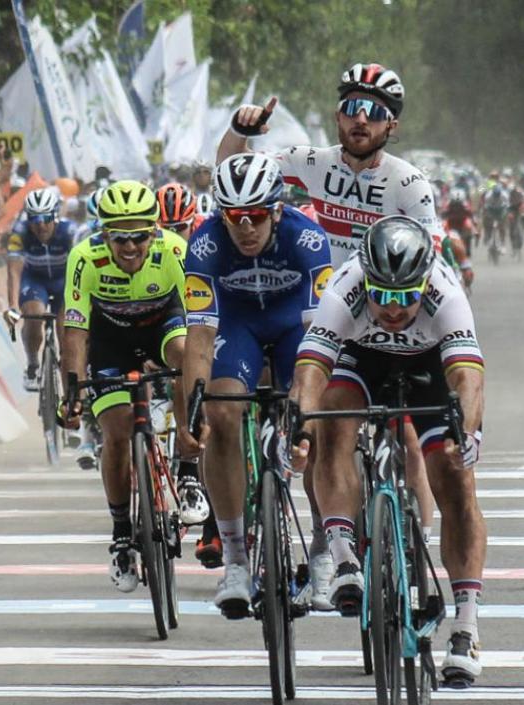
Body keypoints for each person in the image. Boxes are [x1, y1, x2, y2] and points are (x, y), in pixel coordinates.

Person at [220, 62, 443, 607]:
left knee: (408, 437)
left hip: (390, 310)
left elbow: (429, 260)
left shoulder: (409, 184)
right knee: (323, 431)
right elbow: (234, 175)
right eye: (351, 108)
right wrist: (240, 130)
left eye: (374, 112)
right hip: (328, 311)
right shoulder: (311, 163)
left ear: (391, 125)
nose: (360, 119)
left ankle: (418, 550)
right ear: (338, 116)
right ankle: (327, 550)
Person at [289, 215, 486, 686]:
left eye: (405, 297)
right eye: (382, 296)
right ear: (367, 282)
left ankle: (466, 625)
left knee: (456, 481)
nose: (394, 308)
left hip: (428, 362)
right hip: (361, 357)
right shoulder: (345, 289)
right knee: (331, 424)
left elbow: (467, 379)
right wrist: (299, 429)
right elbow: (310, 372)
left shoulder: (446, 294)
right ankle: (344, 557)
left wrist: (465, 433)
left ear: (424, 284)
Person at [180, 153, 331, 613]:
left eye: (257, 215)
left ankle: (324, 550)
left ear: (277, 210)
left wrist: (304, 414)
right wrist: (192, 412)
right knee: (222, 412)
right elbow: (199, 338)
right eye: (234, 217)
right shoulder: (204, 244)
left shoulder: (308, 239)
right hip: (237, 325)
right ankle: (236, 561)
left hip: (294, 326)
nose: (246, 227)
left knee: (318, 418)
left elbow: (319, 340)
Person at [58, 180, 189, 593]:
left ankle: (188, 473)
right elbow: (75, 330)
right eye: (119, 237)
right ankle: (120, 534)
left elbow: (201, 319)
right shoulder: (85, 258)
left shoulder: (174, 250)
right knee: (116, 433)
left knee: (186, 355)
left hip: (162, 328)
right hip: (109, 340)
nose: (130, 247)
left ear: (155, 231)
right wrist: (72, 391)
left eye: (139, 236)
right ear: (104, 234)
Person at [3, 188, 78, 390]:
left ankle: (69, 381)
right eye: (34, 219)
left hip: (64, 280)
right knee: (34, 315)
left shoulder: (70, 231)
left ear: (55, 215)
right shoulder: (19, 232)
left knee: (66, 330)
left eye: (46, 218)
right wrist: (12, 306)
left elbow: (82, 268)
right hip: (35, 279)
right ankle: (33, 364)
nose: (40, 225)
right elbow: (14, 272)